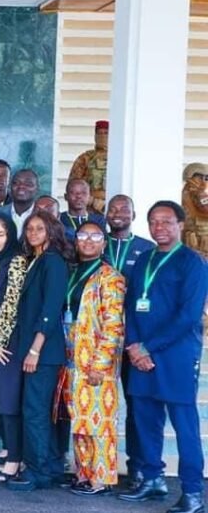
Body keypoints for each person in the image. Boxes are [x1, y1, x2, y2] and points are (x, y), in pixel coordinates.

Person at [118, 201, 208, 513]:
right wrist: (132, 346)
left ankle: (193, 492)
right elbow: (131, 307)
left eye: (167, 221)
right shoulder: (143, 259)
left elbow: (188, 316)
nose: (160, 227)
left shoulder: (192, 263)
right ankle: (153, 478)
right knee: (145, 421)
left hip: (176, 356)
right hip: (140, 354)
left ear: (181, 225)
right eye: (154, 222)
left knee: (184, 426)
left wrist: (148, 348)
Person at [60, 222, 125, 496]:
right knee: (79, 419)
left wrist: (100, 363)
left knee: (98, 421)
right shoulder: (74, 272)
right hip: (71, 356)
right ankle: (82, 473)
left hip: (96, 360)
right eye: (82, 235)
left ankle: (100, 478)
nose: (87, 240)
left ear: (103, 242)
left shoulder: (110, 277)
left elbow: (113, 324)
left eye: (94, 236)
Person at [6, 210, 69, 492]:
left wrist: (34, 350)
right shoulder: (37, 260)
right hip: (35, 349)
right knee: (39, 411)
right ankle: (50, 467)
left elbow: (50, 309)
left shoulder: (52, 262)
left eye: (39, 228)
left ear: (51, 232)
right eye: (29, 228)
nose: (33, 233)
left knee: (34, 412)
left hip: (43, 351)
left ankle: (37, 472)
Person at [102, 193, 154, 486]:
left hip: (133, 339)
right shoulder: (95, 244)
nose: (118, 212)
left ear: (134, 216)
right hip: (100, 340)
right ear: (106, 214)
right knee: (97, 400)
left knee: (136, 405)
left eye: (124, 209)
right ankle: (96, 464)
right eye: (113, 208)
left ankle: (138, 467)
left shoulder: (146, 249)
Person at [0, 214, 28, 482]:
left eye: (0, 234)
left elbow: (11, 302)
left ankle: (15, 459)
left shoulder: (16, 260)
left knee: (9, 400)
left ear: (10, 234)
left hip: (8, 341)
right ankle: (7, 447)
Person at [68, 120, 109, 214]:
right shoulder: (85, 158)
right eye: (99, 133)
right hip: (89, 210)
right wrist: (91, 201)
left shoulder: (120, 158)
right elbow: (73, 187)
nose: (102, 136)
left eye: (106, 133)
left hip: (114, 209)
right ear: (95, 136)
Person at [0, 169, 39, 237]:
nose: (21, 186)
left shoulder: (45, 216)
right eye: (16, 183)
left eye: (28, 184)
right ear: (10, 187)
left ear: (37, 189)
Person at [181, 162, 208, 257]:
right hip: (198, 240)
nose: (204, 182)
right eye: (200, 177)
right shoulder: (198, 194)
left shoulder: (186, 192)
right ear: (190, 177)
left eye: (206, 178)